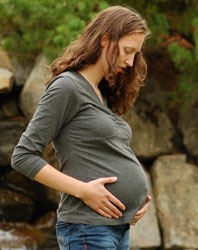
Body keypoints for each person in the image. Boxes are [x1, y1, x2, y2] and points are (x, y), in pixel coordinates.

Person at [11, 5, 152, 250]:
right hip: (89, 230)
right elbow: (23, 156)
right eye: (127, 51)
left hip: (116, 228)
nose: (130, 62)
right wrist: (84, 191)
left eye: (135, 54)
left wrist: (135, 204)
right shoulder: (67, 87)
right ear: (105, 40)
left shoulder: (101, 94)